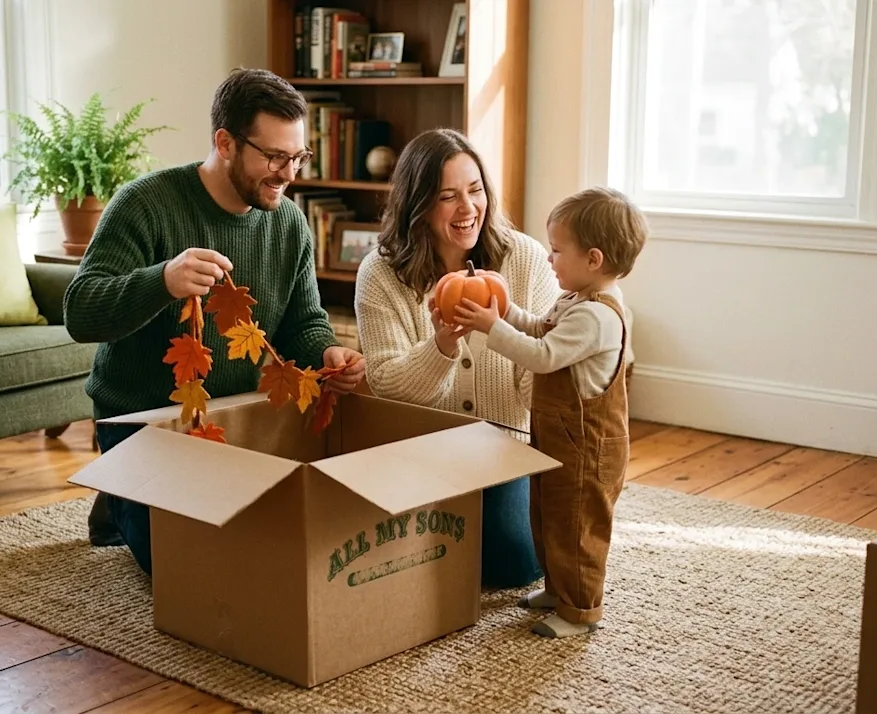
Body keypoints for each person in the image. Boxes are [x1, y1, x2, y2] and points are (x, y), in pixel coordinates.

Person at [63, 68, 367, 575]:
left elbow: (304, 323)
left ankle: (125, 502)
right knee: (188, 568)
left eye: (298, 157)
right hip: (144, 422)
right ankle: (122, 492)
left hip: (234, 422)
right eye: (273, 157)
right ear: (224, 142)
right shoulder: (144, 204)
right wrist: (162, 279)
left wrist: (327, 353)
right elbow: (81, 310)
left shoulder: (289, 223)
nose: (288, 173)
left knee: (270, 550)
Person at [353, 128, 562, 589]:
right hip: (420, 451)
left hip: (506, 450)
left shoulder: (523, 258)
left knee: (512, 563)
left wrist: (504, 332)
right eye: (448, 196)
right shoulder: (381, 273)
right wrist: (442, 345)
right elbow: (387, 382)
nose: (468, 209)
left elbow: (538, 382)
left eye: (475, 190)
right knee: (389, 554)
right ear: (419, 204)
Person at [452, 186, 647, 638]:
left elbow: (541, 354)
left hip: (588, 447)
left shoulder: (596, 317)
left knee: (577, 528)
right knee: (547, 515)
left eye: (558, 251)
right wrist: (505, 309)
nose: (548, 259)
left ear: (593, 259)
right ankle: (558, 589)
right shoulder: (577, 301)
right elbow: (541, 327)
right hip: (560, 437)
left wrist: (492, 328)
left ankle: (581, 609)